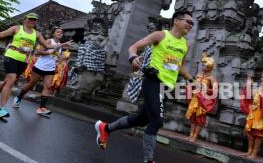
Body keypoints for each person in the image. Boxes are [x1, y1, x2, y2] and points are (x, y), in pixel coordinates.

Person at [94, 10, 195, 163]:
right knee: (157, 121)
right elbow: (133, 47)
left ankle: (105, 128)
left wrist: (192, 80)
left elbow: (178, 66)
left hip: (167, 87)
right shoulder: (160, 35)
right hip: (153, 81)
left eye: (192, 24)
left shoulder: (185, 44)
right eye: (188, 22)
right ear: (176, 21)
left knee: (141, 119)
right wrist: (133, 57)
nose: (190, 25)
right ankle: (149, 160)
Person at [0, 14, 72, 119]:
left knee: (8, 81)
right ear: (25, 19)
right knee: (11, 80)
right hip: (11, 55)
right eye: (30, 19)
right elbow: (0, 35)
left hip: (24, 60)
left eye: (35, 20)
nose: (32, 21)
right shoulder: (16, 28)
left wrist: (62, 45)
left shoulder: (37, 34)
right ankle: (2, 109)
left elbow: (48, 46)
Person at [12, 26, 70, 115]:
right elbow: (37, 52)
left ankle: (41, 108)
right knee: (31, 84)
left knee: (48, 87)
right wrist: (50, 52)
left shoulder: (60, 45)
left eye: (61, 33)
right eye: (58, 32)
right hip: (40, 67)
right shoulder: (49, 41)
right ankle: (19, 98)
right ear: (53, 33)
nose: (60, 34)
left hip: (50, 69)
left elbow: (55, 57)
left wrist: (62, 58)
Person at [240, 64, 263, 160]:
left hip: (261, 114)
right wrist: (248, 86)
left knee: (258, 133)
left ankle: (254, 153)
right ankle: (249, 151)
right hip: (253, 112)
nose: (262, 77)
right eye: (262, 75)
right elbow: (250, 96)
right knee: (249, 131)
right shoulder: (260, 87)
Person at [185, 53, 217, 143]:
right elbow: (193, 84)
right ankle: (190, 135)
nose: (202, 66)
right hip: (195, 98)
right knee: (192, 117)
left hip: (203, 100)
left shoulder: (212, 78)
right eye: (202, 64)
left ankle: (195, 137)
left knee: (200, 118)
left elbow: (215, 91)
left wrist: (205, 89)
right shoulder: (199, 75)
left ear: (209, 67)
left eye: (204, 65)